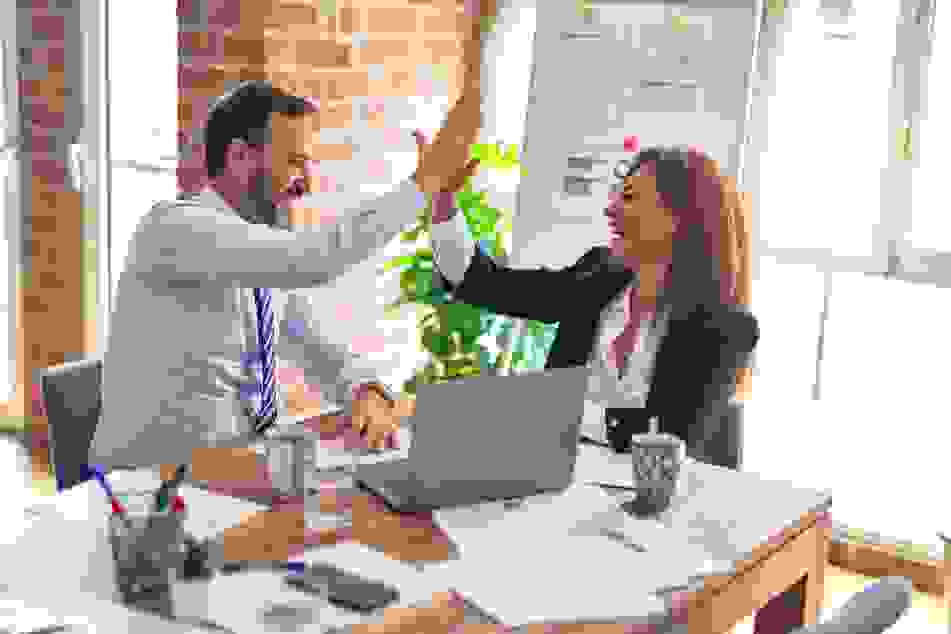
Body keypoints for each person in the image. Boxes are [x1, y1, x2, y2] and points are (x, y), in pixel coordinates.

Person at [88, 78, 481, 566]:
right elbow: (319, 258)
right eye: (294, 161)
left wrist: (364, 389)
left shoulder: (254, 250)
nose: (307, 183)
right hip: (152, 500)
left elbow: (308, 339)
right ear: (239, 157)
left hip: (232, 484)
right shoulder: (175, 228)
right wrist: (422, 186)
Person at [417, 144, 759, 466]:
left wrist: (557, 413)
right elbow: (488, 284)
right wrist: (444, 201)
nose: (610, 210)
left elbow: (672, 434)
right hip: (551, 482)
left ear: (678, 218)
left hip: (649, 508)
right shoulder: (598, 275)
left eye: (629, 198)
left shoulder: (726, 328)